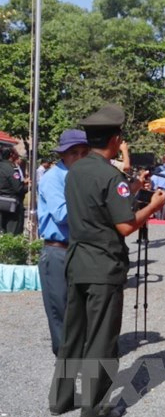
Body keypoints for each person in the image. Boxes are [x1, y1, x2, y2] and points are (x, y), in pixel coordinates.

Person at [48, 104, 165, 417]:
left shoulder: (76, 172)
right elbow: (125, 225)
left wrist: (135, 188)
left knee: (74, 334)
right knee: (101, 337)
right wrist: (154, 206)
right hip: (104, 266)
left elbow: (99, 210)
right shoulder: (111, 175)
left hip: (78, 262)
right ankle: (94, 405)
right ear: (115, 140)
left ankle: (61, 398)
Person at [37, 130, 90, 357]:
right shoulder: (53, 177)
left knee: (79, 307)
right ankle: (65, 361)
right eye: (74, 153)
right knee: (60, 310)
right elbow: (61, 214)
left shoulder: (80, 177)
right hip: (57, 250)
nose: (79, 157)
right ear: (63, 155)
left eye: (83, 153)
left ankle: (77, 354)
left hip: (77, 249)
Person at [0, 146, 27, 235]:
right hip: (12, 206)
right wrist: (28, 186)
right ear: (11, 155)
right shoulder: (11, 169)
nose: (18, 155)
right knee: (13, 234)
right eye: (16, 153)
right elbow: (19, 189)